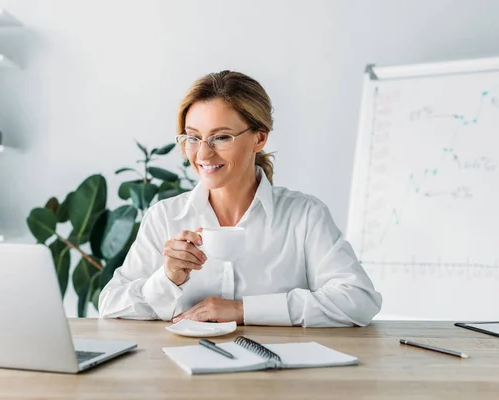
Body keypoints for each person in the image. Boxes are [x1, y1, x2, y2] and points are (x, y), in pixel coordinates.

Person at [99, 70, 382, 327]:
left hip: (277, 375)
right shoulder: (165, 217)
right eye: (193, 138)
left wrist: (243, 310)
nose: (202, 154)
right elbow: (110, 305)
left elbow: (358, 300)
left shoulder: (304, 216)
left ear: (259, 139)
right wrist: (168, 278)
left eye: (221, 137)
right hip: (183, 376)